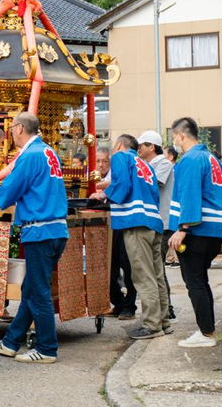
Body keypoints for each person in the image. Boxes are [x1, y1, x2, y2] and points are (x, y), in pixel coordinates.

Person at [0, 112, 69, 364]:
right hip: (56, 228)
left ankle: (46, 348)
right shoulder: (48, 152)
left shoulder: (29, 156)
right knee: (31, 288)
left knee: (38, 291)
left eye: (11, 128)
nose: (10, 132)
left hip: (40, 229)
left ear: (20, 128)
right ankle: (11, 342)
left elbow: (9, 191)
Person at [167, 117, 222, 348]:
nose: (174, 141)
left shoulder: (190, 160)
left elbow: (189, 195)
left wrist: (182, 228)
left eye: (174, 136)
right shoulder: (211, 158)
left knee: (194, 282)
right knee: (201, 281)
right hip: (215, 230)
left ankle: (206, 334)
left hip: (197, 230)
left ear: (181, 136)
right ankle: (207, 331)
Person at [98, 134, 168, 340]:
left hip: (136, 222)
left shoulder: (121, 157)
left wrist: (103, 195)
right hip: (153, 221)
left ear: (119, 145)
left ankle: (152, 325)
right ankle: (162, 321)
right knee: (156, 275)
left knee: (142, 275)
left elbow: (122, 185)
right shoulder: (144, 164)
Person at [91, 145, 136, 321]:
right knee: (109, 266)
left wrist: (101, 189)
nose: (101, 165)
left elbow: (119, 183)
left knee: (126, 263)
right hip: (101, 225)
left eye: (105, 161)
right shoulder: (92, 175)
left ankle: (129, 305)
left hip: (121, 223)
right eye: (98, 161)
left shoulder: (117, 174)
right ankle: (117, 302)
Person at [138, 130, 176, 320]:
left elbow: (153, 183)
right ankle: (165, 308)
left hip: (163, 222)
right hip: (154, 221)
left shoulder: (163, 163)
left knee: (157, 268)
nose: (138, 150)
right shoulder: (148, 164)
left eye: (141, 146)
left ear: (151, 147)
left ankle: (166, 309)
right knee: (154, 267)